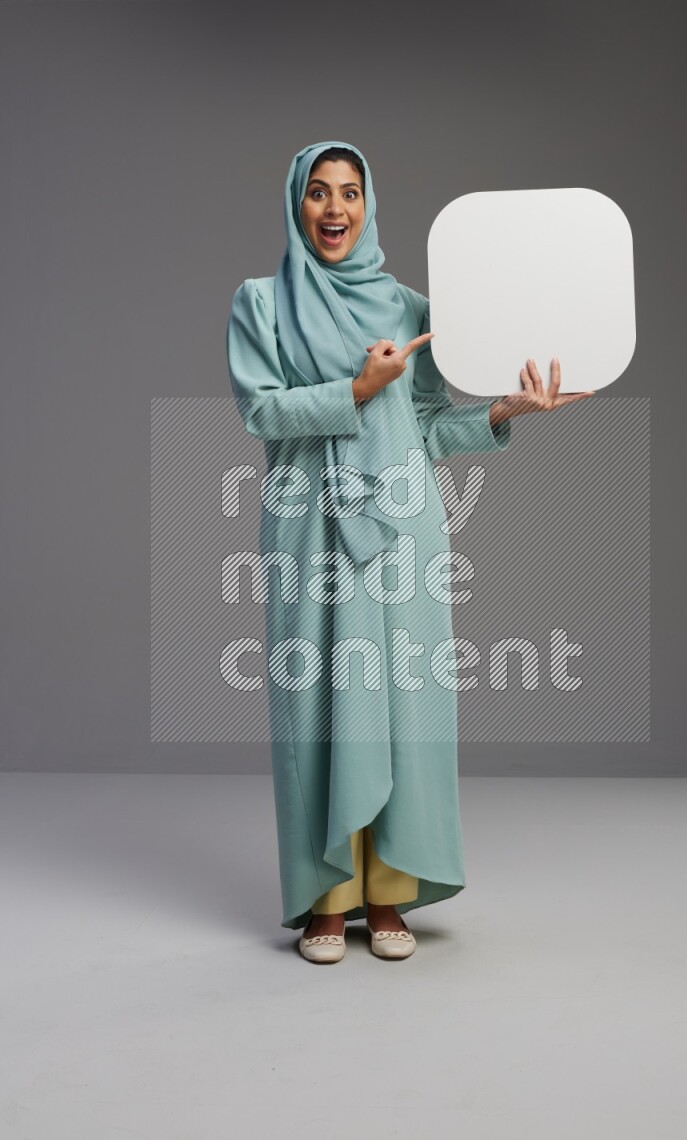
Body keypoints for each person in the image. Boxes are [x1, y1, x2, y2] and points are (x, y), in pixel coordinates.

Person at [226, 140, 594, 964]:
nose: (333, 209)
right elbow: (259, 413)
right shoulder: (262, 303)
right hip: (310, 527)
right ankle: (327, 901)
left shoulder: (408, 306)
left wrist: (505, 411)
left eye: (349, 193)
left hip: (402, 527)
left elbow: (429, 427)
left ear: (368, 203)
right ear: (297, 202)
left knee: (402, 707)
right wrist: (354, 392)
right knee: (318, 709)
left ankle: (391, 893)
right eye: (318, 193)